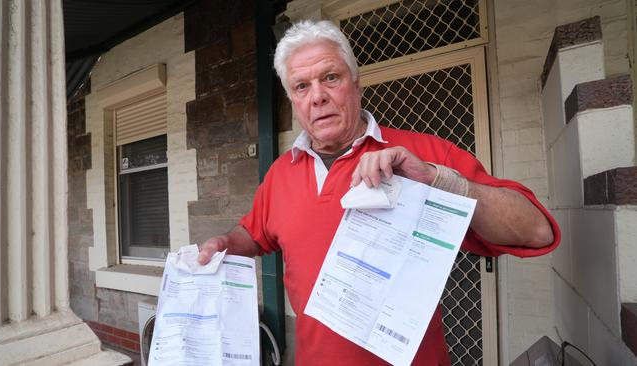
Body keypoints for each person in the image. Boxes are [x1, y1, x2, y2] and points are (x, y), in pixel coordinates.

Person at [198, 20, 560, 366]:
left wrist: (438, 180)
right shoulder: (281, 173)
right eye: (302, 86)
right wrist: (225, 243)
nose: (318, 97)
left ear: (356, 83)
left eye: (330, 77)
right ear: (293, 99)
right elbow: (255, 233)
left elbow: (536, 230)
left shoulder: (424, 155)